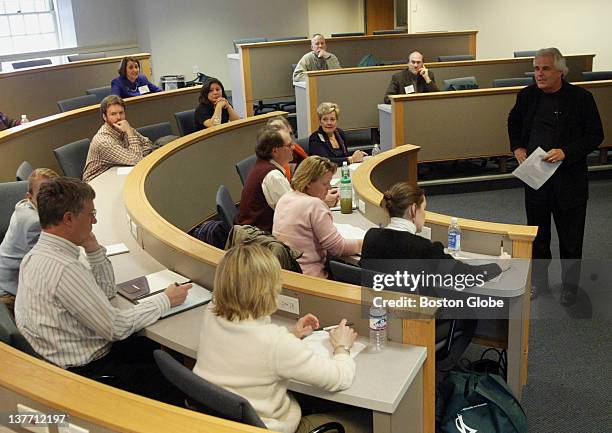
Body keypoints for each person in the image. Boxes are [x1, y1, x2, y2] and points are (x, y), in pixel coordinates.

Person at [14, 177, 191, 401]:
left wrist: (93, 248)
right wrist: (166, 299)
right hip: (88, 372)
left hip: (61, 356)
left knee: (147, 345)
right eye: (91, 215)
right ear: (69, 218)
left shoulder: (35, 256)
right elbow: (115, 328)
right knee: (165, 368)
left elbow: (106, 292)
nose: (94, 222)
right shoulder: (65, 269)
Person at [193, 244, 370, 433]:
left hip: (220, 423)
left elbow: (252, 348)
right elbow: (340, 378)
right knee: (367, 422)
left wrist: (292, 336)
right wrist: (342, 346)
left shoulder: (211, 313)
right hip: (274, 426)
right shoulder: (275, 344)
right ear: (269, 290)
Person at [508, 47, 604, 305]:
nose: (539, 74)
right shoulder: (527, 96)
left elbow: (596, 135)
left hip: (569, 181)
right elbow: (513, 121)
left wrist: (566, 152)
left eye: (545, 68)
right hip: (536, 179)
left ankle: (570, 287)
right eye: (536, 68)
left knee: (571, 240)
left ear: (560, 71)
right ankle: (539, 283)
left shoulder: (581, 98)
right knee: (538, 237)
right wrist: (517, 147)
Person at [359, 182, 504, 283]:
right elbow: (468, 276)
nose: (425, 214)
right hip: (419, 321)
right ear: (413, 210)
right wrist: (499, 266)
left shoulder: (371, 236)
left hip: (381, 315)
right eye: (423, 209)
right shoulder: (423, 248)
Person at [273, 156, 362, 278]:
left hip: (286, 275)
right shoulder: (315, 205)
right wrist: (365, 242)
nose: (329, 188)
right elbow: (339, 248)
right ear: (309, 182)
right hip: (312, 278)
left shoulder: (285, 198)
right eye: (325, 183)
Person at [0, 168, 59, 313]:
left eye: (54, 192)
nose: (50, 198)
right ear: (30, 196)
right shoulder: (34, 222)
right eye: (43, 194)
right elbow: (50, 265)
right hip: (11, 292)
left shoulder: (25, 205)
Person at [236, 126, 295, 232]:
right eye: (289, 145)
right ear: (275, 151)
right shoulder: (273, 175)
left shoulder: (264, 165)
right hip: (262, 239)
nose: (294, 147)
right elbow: (293, 213)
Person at [82, 95, 153, 182]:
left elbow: (148, 144)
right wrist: (130, 133)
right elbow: (137, 160)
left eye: (121, 113)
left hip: (116, 172)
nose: (119, 117)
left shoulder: (123, 127)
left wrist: (132, 155)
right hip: (97, 182)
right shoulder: (103, 141)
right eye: (113, 114)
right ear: (104, 117)